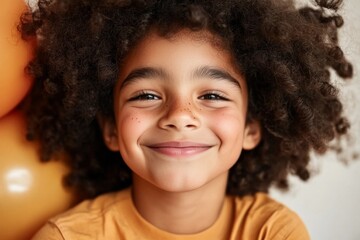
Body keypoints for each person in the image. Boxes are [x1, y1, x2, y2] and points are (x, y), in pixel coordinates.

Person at [19, 0, 353, 239]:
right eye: (147, 95)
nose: (180, 117)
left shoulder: (272, 231)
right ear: (110, 128)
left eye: (212, 96)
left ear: (251, 127)